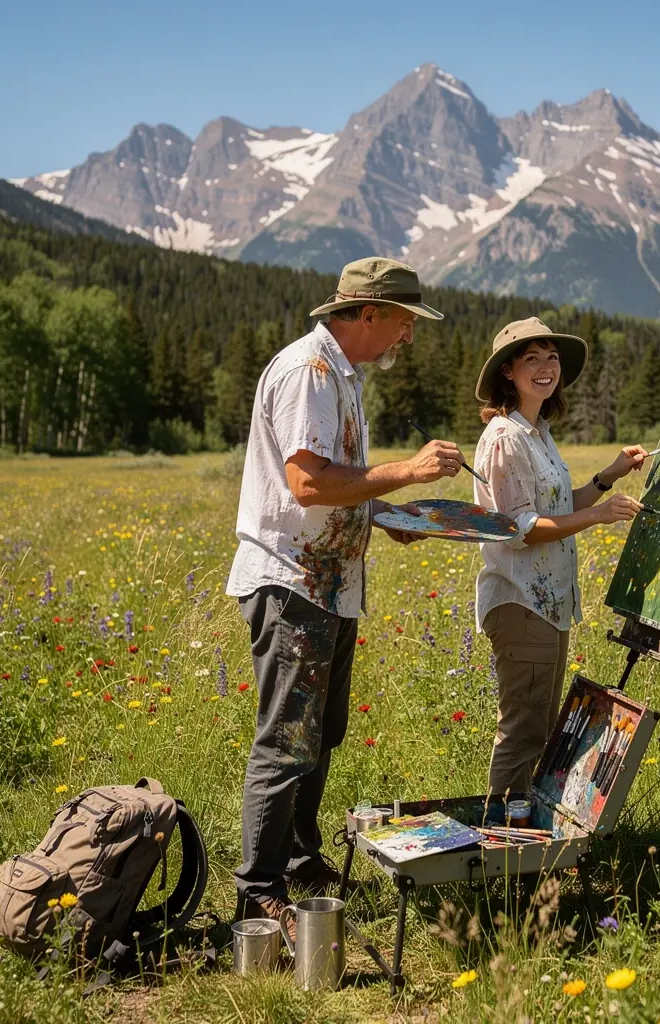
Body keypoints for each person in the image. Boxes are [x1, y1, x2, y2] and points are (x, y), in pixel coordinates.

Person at [227, 257, 467, 925]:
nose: (408, 337)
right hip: (293, 584)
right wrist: (405, 472)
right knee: (286, 742)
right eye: (402, 323)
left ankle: (300, 864)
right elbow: (306, 483)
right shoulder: (312, 372)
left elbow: (333, 487)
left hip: (328, 585)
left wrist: (383, 517)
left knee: (319, 735)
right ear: (368, 314)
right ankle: (257, 890)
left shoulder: (341, 373)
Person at [472, 317, 647, 796]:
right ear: (508, 371)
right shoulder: (507, 438)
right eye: (532, 358)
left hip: (545, 605)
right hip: (521, 602)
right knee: (524, 731)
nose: (546, 368)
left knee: (540, 726)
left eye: (552, 358)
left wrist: (608, 477)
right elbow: (520, 530)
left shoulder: (536, 431)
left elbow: (555, 506)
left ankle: (521, 831)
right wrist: (600, 516)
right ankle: (502, 845)